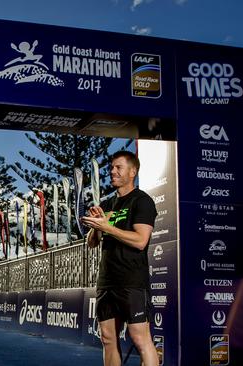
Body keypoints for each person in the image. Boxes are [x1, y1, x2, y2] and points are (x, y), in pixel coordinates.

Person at [81, 150, 158, 366]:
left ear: (132, 172)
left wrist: (108, 227)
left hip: (131, 280)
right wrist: (97, 226)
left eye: (118, 167)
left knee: (140, 338)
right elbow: (92, 242)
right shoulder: (107, 205)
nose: (112, 171)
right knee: (107, 339)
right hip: (107, 281)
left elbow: (141, 240)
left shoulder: (142, 201)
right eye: (112, 167)